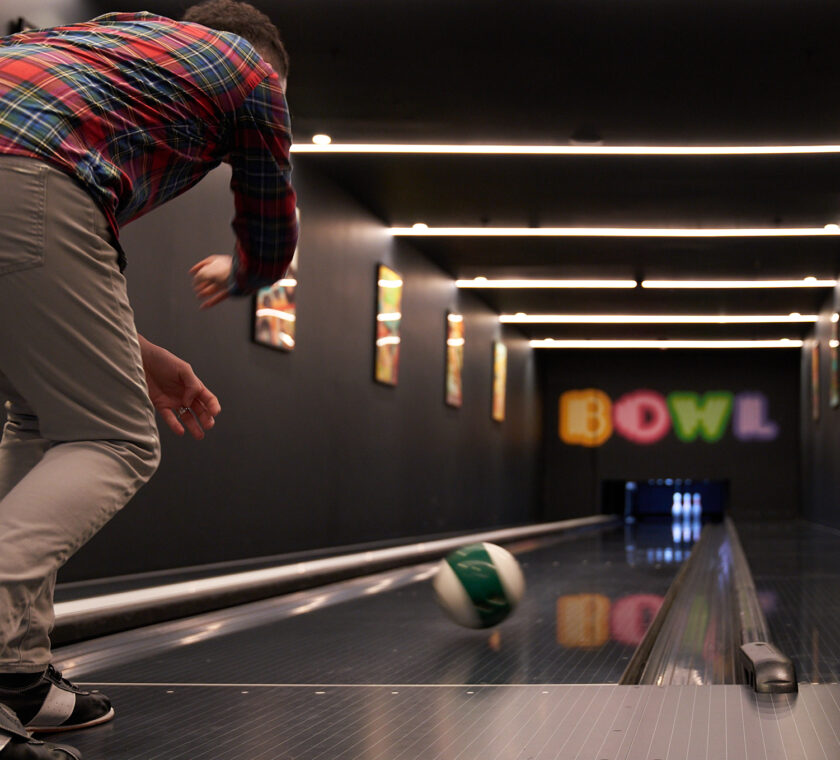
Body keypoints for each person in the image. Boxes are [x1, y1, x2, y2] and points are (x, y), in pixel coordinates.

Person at [0, 1, 298, 756]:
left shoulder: (108, 36)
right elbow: (270, 232)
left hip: (24, 184)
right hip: (29, 176)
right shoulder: (254, 71)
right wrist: (248, 273)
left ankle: (15, 677)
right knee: (117, 440)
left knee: (44, 420)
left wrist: (142, 354)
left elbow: (34, 264)